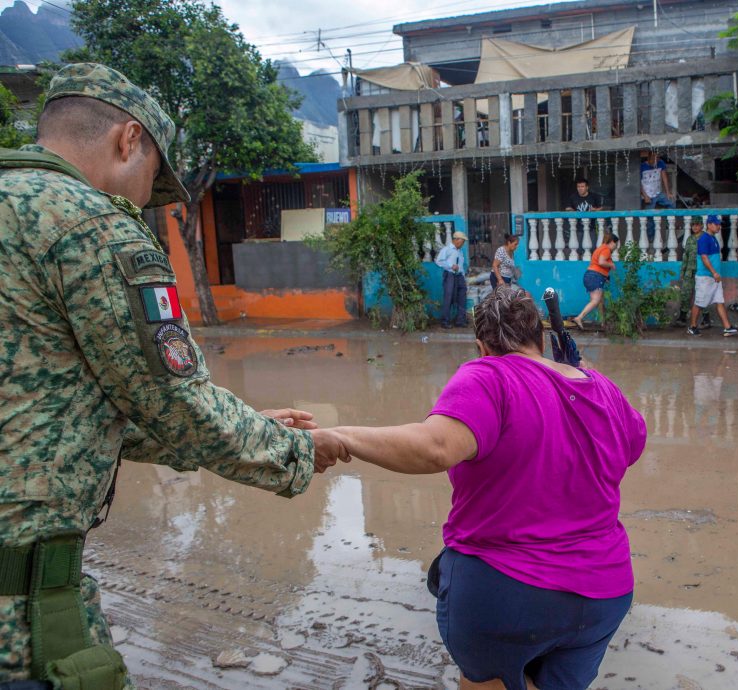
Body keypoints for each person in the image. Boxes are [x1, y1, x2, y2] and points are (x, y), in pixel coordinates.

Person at [0, 63, 345, 689]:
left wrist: (246, 424)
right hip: (18, 615)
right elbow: (173, 402)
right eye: (152, 178)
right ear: (129, 139)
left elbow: (57, 415)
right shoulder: (90, 225)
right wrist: (291, 449)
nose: (142, 202)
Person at [327, 288, 646, 690]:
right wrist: (585, 377)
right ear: (540, 338)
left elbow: (435, 447)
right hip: (606, 592)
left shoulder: (489, 375)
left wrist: (341, 437)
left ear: (481, 347)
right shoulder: (604, 389)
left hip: (509, 589)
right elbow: (632, 446)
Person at [687, 215, 738, 337]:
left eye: (719, 224)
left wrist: (715, 274)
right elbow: (704, 257)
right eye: (716, 224)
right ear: (709, 225)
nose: (718, 227)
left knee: (719, 301)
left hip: (715, 278)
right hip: (705, 277)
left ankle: (728, 328)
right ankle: (692, 327)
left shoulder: (713, 238)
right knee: (699, 303)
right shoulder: (704, 239)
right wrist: (714, 272)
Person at [573, 232, 619, 330]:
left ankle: (603, 323)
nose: (616, 246)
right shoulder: (606, 249)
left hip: (591, 275)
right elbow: (601, 262)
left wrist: (606, 277)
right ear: (612, 242)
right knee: (596, 300)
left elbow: (598, 265)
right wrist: (611, 265)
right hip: (595, 277)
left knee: (600, 300)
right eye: (616, 244)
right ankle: (579, 317)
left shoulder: (600, 248)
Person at [640, 150, 675, 242]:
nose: (657, 160)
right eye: (655, 158)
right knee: (649, 218)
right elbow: (639, 183)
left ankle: (669, 224)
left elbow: (664, 177)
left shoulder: (660, 163)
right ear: (650, 157)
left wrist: (668, 192)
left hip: (658, 193)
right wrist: (645, 196)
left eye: (658, 158)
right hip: (648, 195)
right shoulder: (642, 166)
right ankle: (651, 239)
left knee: (671, 203)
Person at [436, 231, 469, 328]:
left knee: (462, 296)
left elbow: (461, 266)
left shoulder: (460, 251)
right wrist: (451, 266)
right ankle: (445, 322)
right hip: (450, 275)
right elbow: (438, 261)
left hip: (459, 276)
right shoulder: (447, 249)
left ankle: (460, 320)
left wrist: (463, 276)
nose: (463, 243)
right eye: (462, 241)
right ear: (456, 240)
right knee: (448, 297)